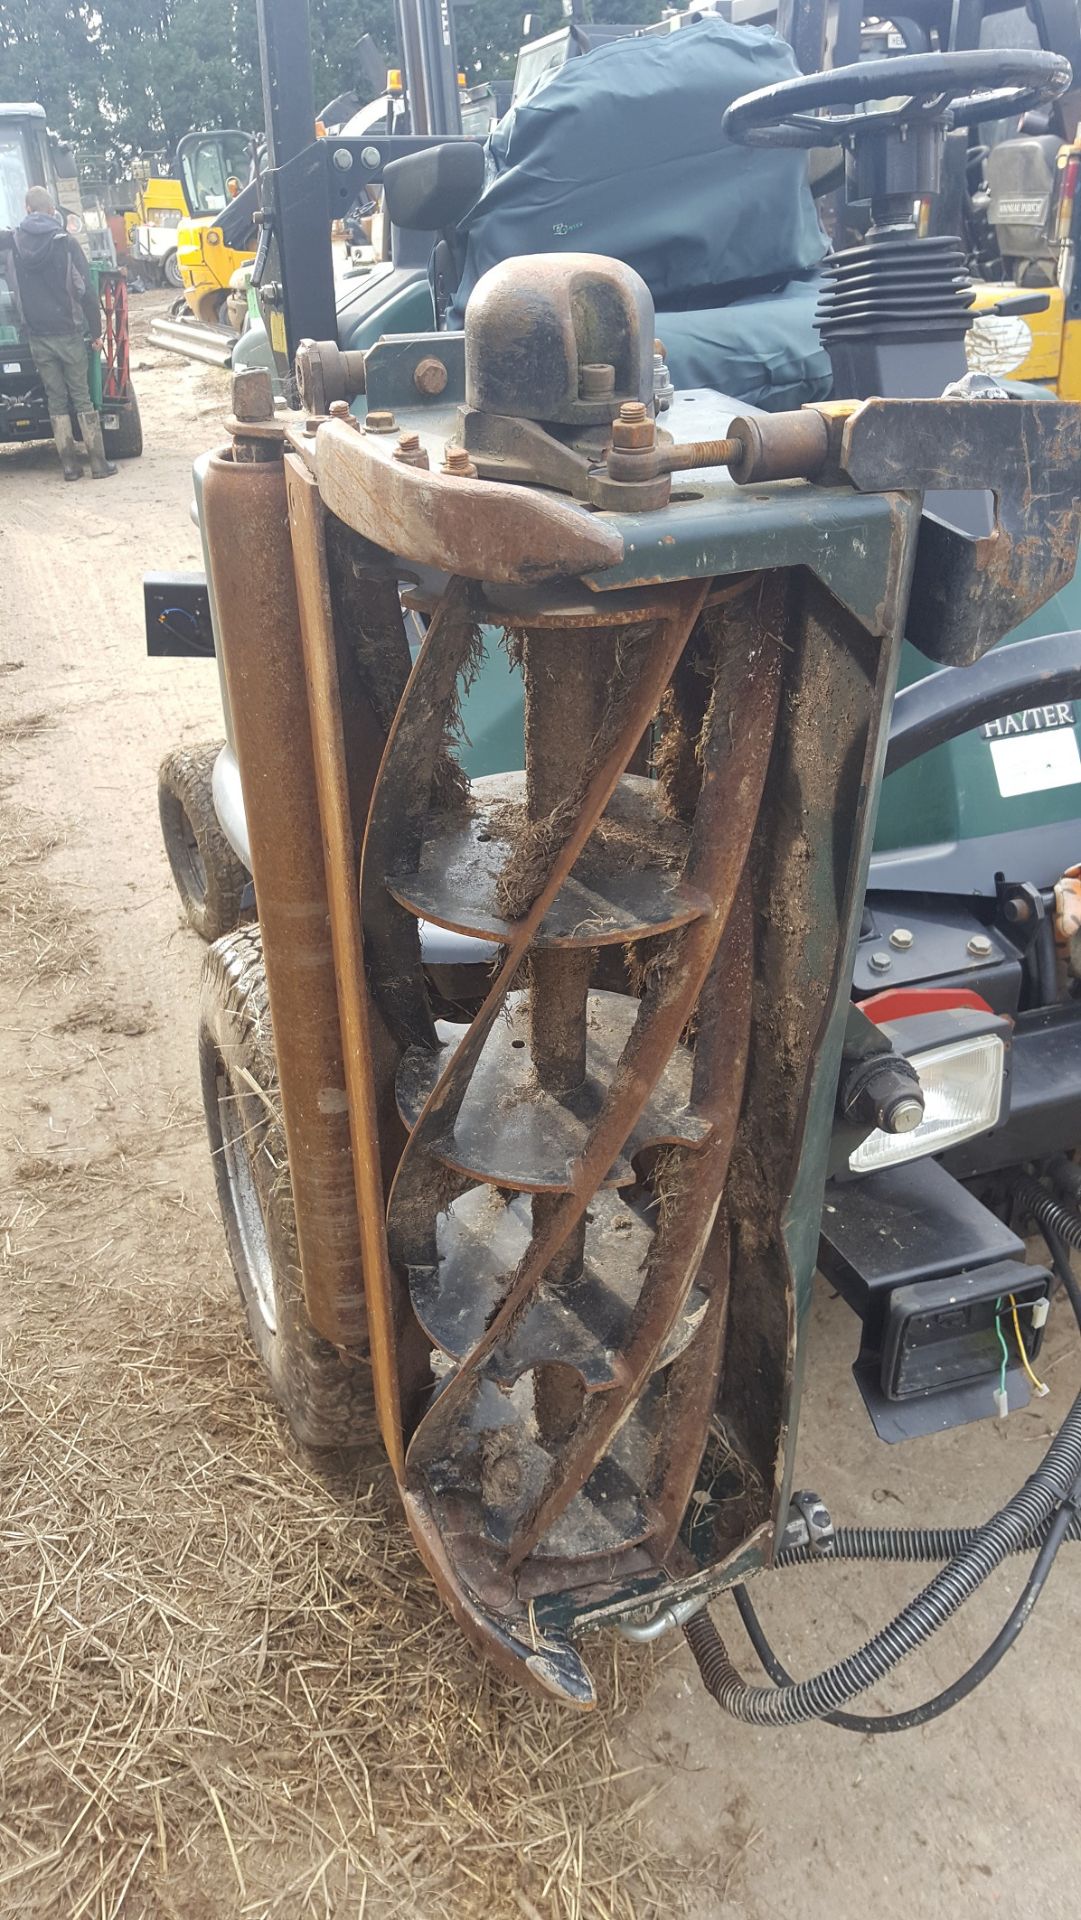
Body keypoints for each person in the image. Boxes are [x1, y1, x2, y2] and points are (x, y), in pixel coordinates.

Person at [3, 186, 116, 480]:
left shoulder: (12, 243)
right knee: (81, 397)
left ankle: (68, 466)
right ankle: (99, 464)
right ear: (52, 212)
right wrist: (96, 331)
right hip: (67, 332)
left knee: (55, 398)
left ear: (27, 210)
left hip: (37, 336)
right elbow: (86, 293)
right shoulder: (65, 243)